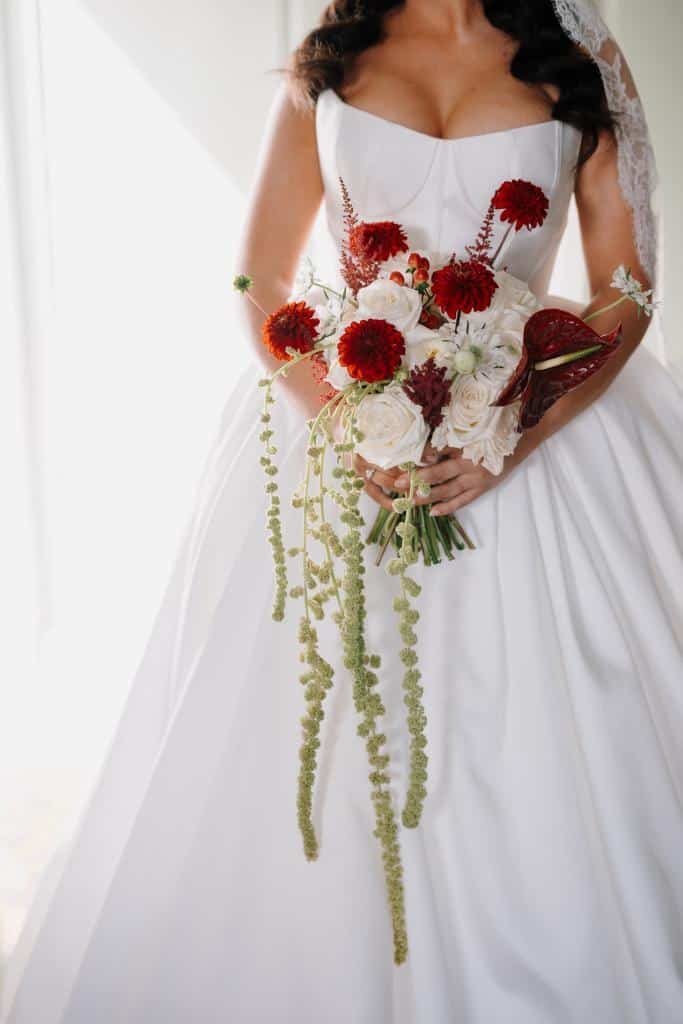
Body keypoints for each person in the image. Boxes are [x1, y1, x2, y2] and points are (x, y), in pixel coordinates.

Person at [3, 1, 682, 1021]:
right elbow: (258, 277)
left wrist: (513, 425)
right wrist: (346, 417)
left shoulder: (579, 58)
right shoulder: (330, 52)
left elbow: (625, 288)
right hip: (340, 421)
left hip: (531, 427)